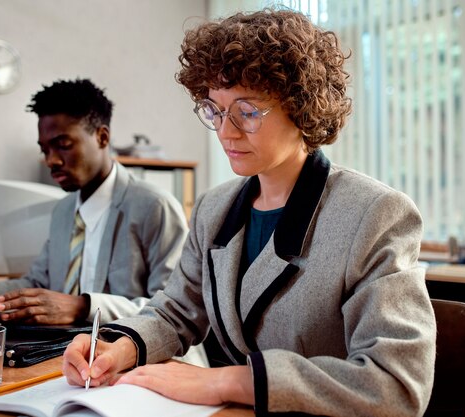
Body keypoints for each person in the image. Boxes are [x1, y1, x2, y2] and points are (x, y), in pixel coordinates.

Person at [62, 8, 437, 417]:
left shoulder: (376, 213)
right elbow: (177, 310)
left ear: (301, 108)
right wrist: (120, 347)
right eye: (215, 110)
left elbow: (396, 385)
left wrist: (230, 380)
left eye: (247, 111)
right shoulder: (214, 207)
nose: (226, 131)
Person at [0, 79, 189, 326]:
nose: (51, 160)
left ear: (102, 137)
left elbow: (172, 310)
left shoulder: (154, 206)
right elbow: (38, 283)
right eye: (45, 149)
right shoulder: (63, 210)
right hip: (73, 356)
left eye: (63, 144)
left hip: (148, 363)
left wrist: (83, 307)